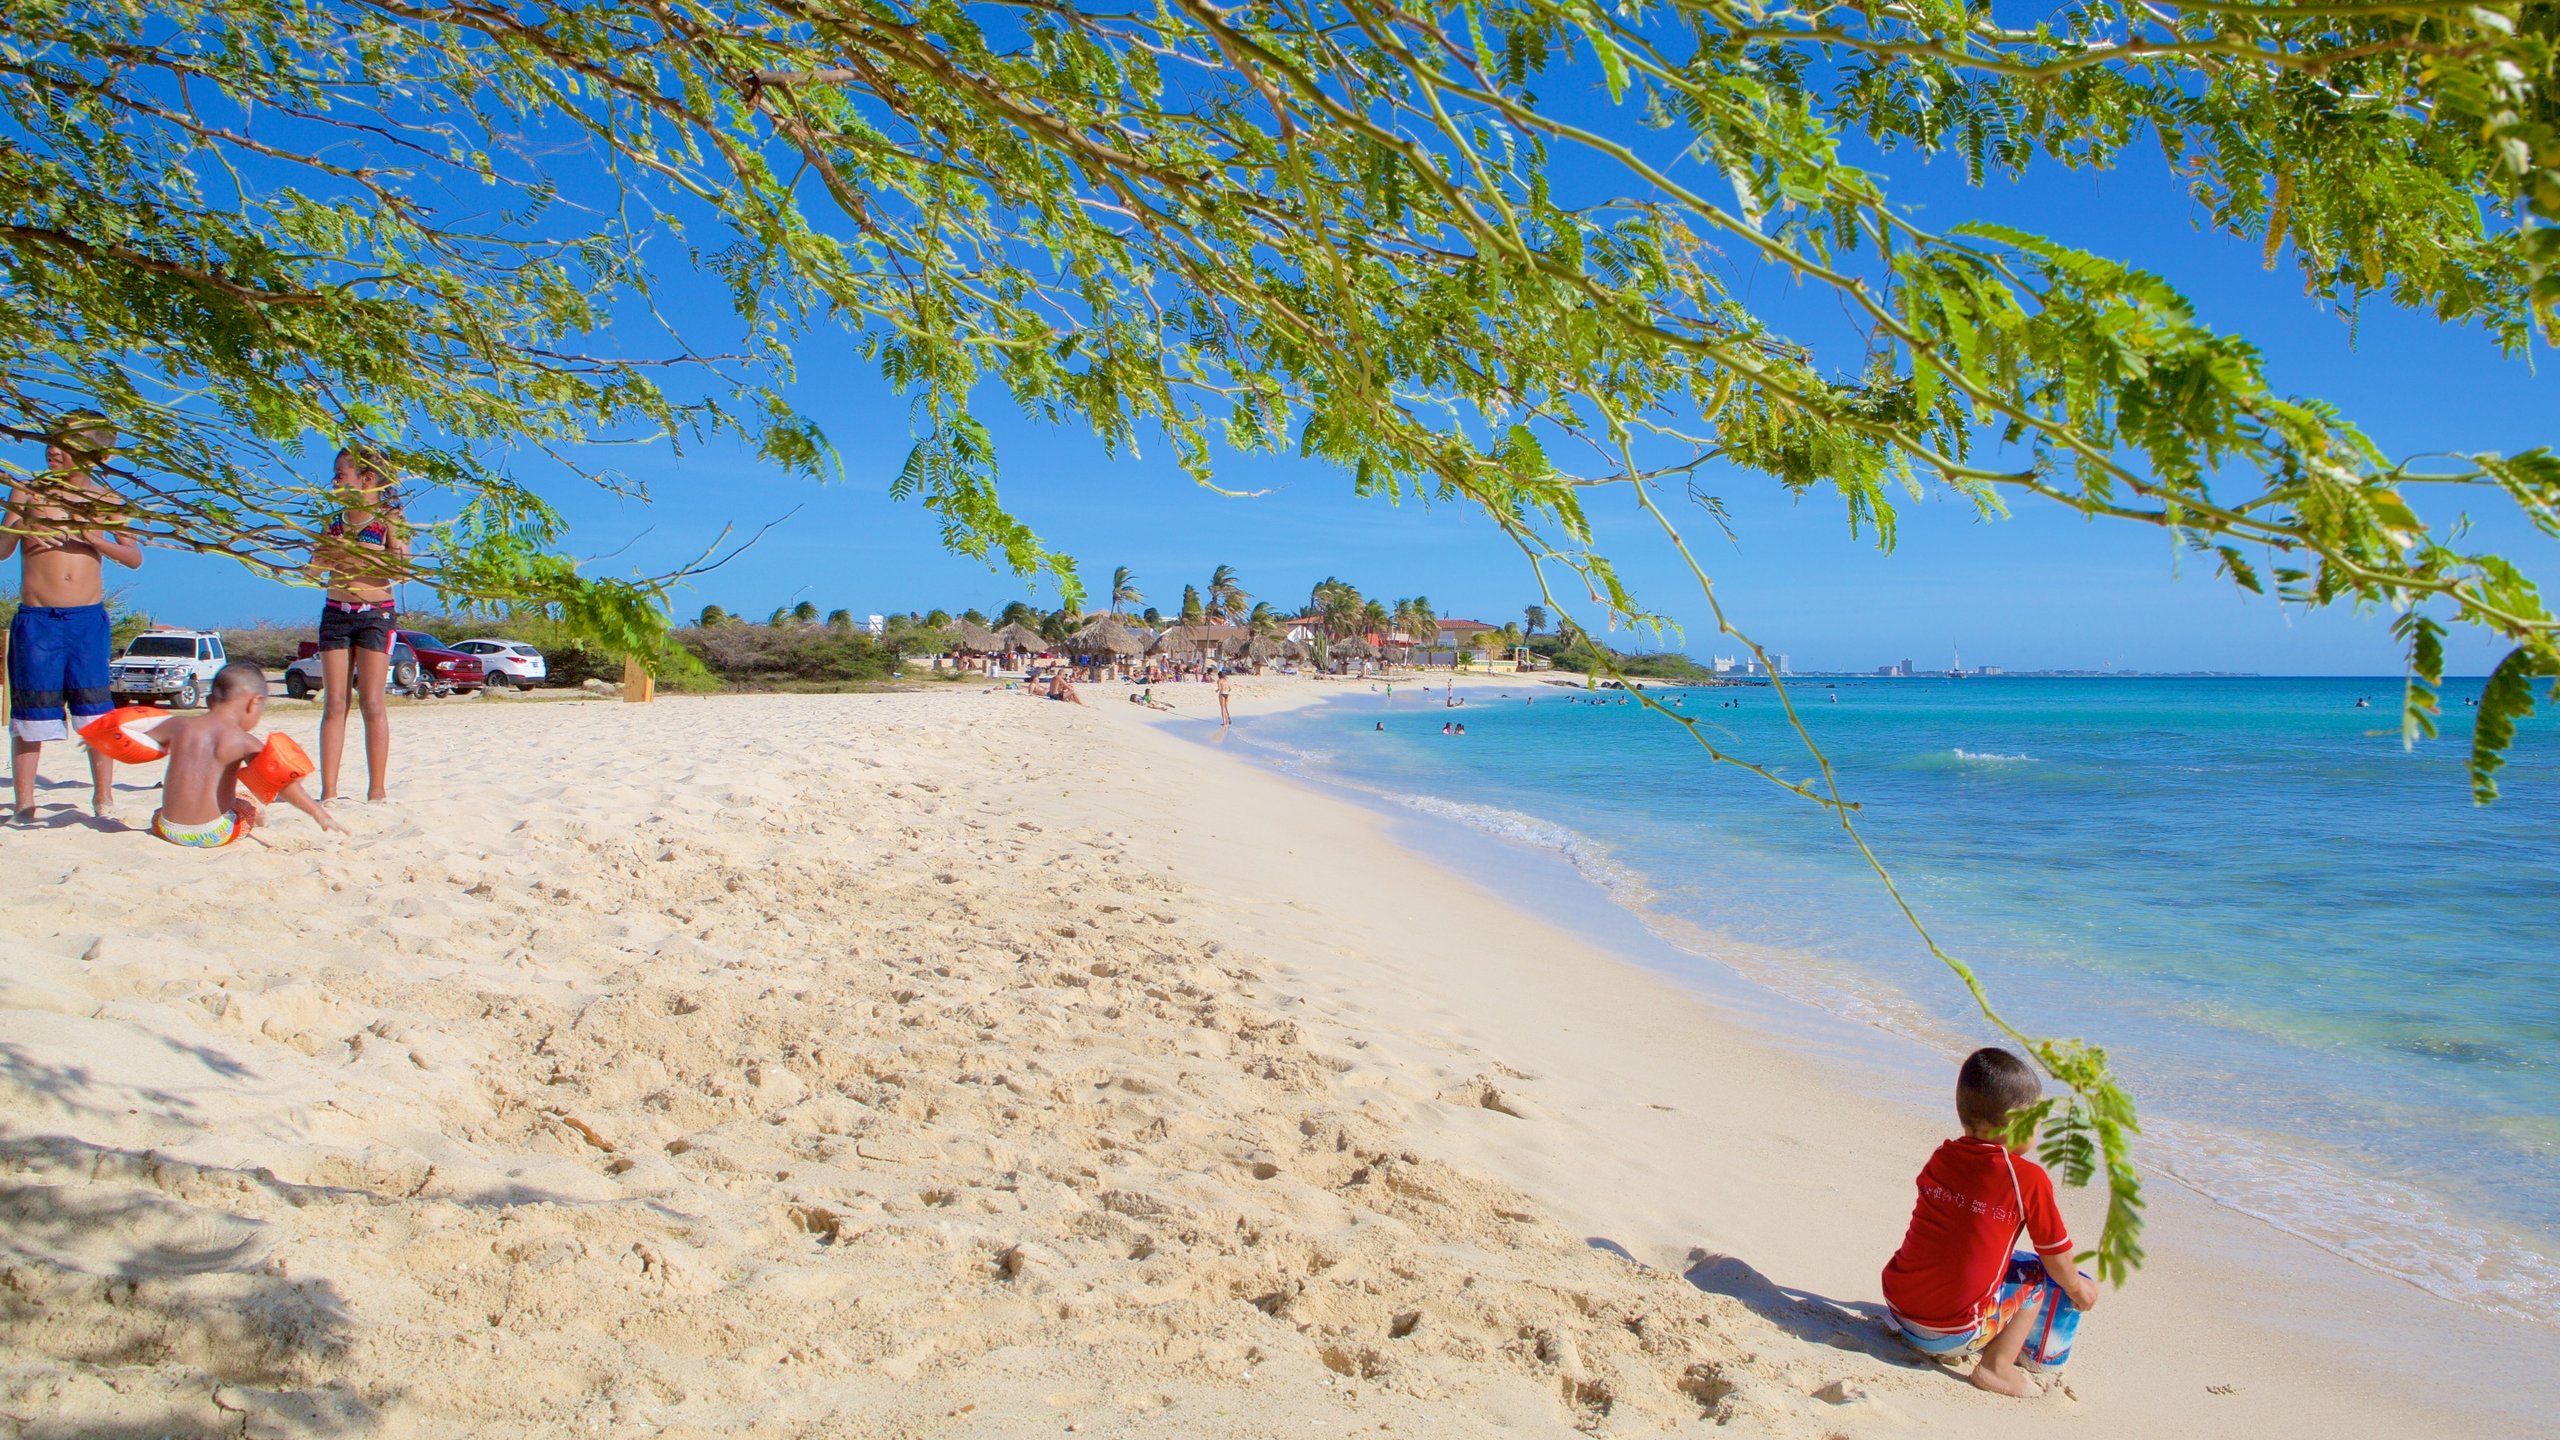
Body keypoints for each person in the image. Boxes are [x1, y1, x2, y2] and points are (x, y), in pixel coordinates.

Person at [1880, 1047, 2099, 1396]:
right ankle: (1998, 1368)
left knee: (1963, 1248)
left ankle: (1938, 1325)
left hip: (1899, 1306)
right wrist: (2078, 1289)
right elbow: (2057, 1259)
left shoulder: (1943, 1156)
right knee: (2037, 1277)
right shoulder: (2026, 1178)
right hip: (1952, 1334)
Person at [4, 412, 143, 822]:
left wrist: (94, 538)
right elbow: (1, 549)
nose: (53, 451)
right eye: (51, 442)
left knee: (96, 714)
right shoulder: (26, 492)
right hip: (38, 620)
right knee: (30, 715)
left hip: (86, 621)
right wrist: (24, 528)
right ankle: (25, 803)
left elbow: (133, 557)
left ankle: (104, 799)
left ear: (92, 455)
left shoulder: (107, 500)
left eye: (66, 446)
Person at [145, 663, 345, 846]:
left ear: (209, 700)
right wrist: (318, 812)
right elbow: (282, 784)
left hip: (166, 829)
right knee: (246, 801)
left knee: (160, 812)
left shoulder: (178, 725)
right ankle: (255, 819)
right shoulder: (243, 741)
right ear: (254, 703)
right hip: (214, 833)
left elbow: (135, 739)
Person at [310, 446, 408, 804]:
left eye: (340, 476)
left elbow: (400, 572)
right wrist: (325, 554)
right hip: (336, 612)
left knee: (372, 702)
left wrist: (379, 548)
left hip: (375, 615)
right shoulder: (333, 522)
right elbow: (311, 571)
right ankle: (329, 792)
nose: (334, 482)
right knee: (334, 703)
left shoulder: (389, 519)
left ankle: (377, 791)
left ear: (366, 479)